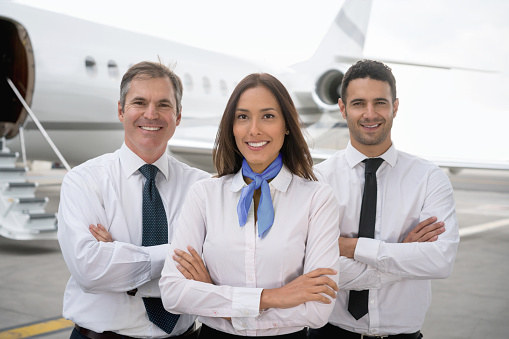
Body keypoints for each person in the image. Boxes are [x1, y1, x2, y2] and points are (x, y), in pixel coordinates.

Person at [158, 73, 341, 338]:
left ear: (287, 125)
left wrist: (214, 297)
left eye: (268, 116)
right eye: (242, 117)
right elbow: (173, 293)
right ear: (231, 127)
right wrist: (273, 297)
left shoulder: (317, 198)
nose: (254, 129)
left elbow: (317, 308)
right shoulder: (204, 194)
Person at [309, 59, 460, 339]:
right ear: (342, 108)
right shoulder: (317, 180)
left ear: (395, 107)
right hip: (330, 333)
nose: (370, 113)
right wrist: (403, 253)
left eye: (380, 102)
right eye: (358, 104)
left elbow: (439, 261)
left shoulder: (429, 178)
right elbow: (316, 272)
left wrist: (351, 246)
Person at [57, 61, 209, 339]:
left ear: (178, 115)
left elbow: (217, 266)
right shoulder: (83, 180)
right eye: (139, 102)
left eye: (164, 104)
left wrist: (120, 258)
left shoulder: (202, 186)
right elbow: (89, 270)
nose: (151, 114)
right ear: (120, 110)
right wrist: (180, 258)